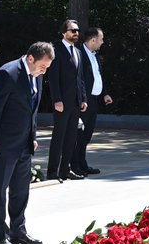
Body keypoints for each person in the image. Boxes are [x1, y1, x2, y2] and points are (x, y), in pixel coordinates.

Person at [0, 42, 54, 244]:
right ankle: (0, 234)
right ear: (31, 58)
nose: (44, 71)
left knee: (20, 190)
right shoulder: (8, 73)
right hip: (4, 143)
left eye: (47, 68)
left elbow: (32, 109)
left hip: (25, 143)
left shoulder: (38, 75)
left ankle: (18, 230)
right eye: (43, 66)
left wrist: (32, 136)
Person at [47, 20, 87, 181]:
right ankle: (52, 171)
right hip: (62, 103)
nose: (76, 33)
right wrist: (57, 99)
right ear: (64, 32)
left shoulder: (77, 52)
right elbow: (53, 78)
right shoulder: (56, 50)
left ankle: (65, 169)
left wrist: (83, 98)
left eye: (77, 30)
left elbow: (80, 78)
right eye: (72, 30)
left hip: (76, 102)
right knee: (59, 137)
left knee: (72, 137)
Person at [73, 28, 113, 176]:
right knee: (78, 135)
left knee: (87, 134)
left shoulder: (95, 56)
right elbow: (79, 80)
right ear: (93, 40)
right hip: (84, 101)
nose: (102, 42)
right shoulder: (79, 54)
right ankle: (74, 165)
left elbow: (98, 76)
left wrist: (104, 93)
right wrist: (82, 99)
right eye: (101, 39)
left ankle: (82, 163)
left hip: (94, 99)